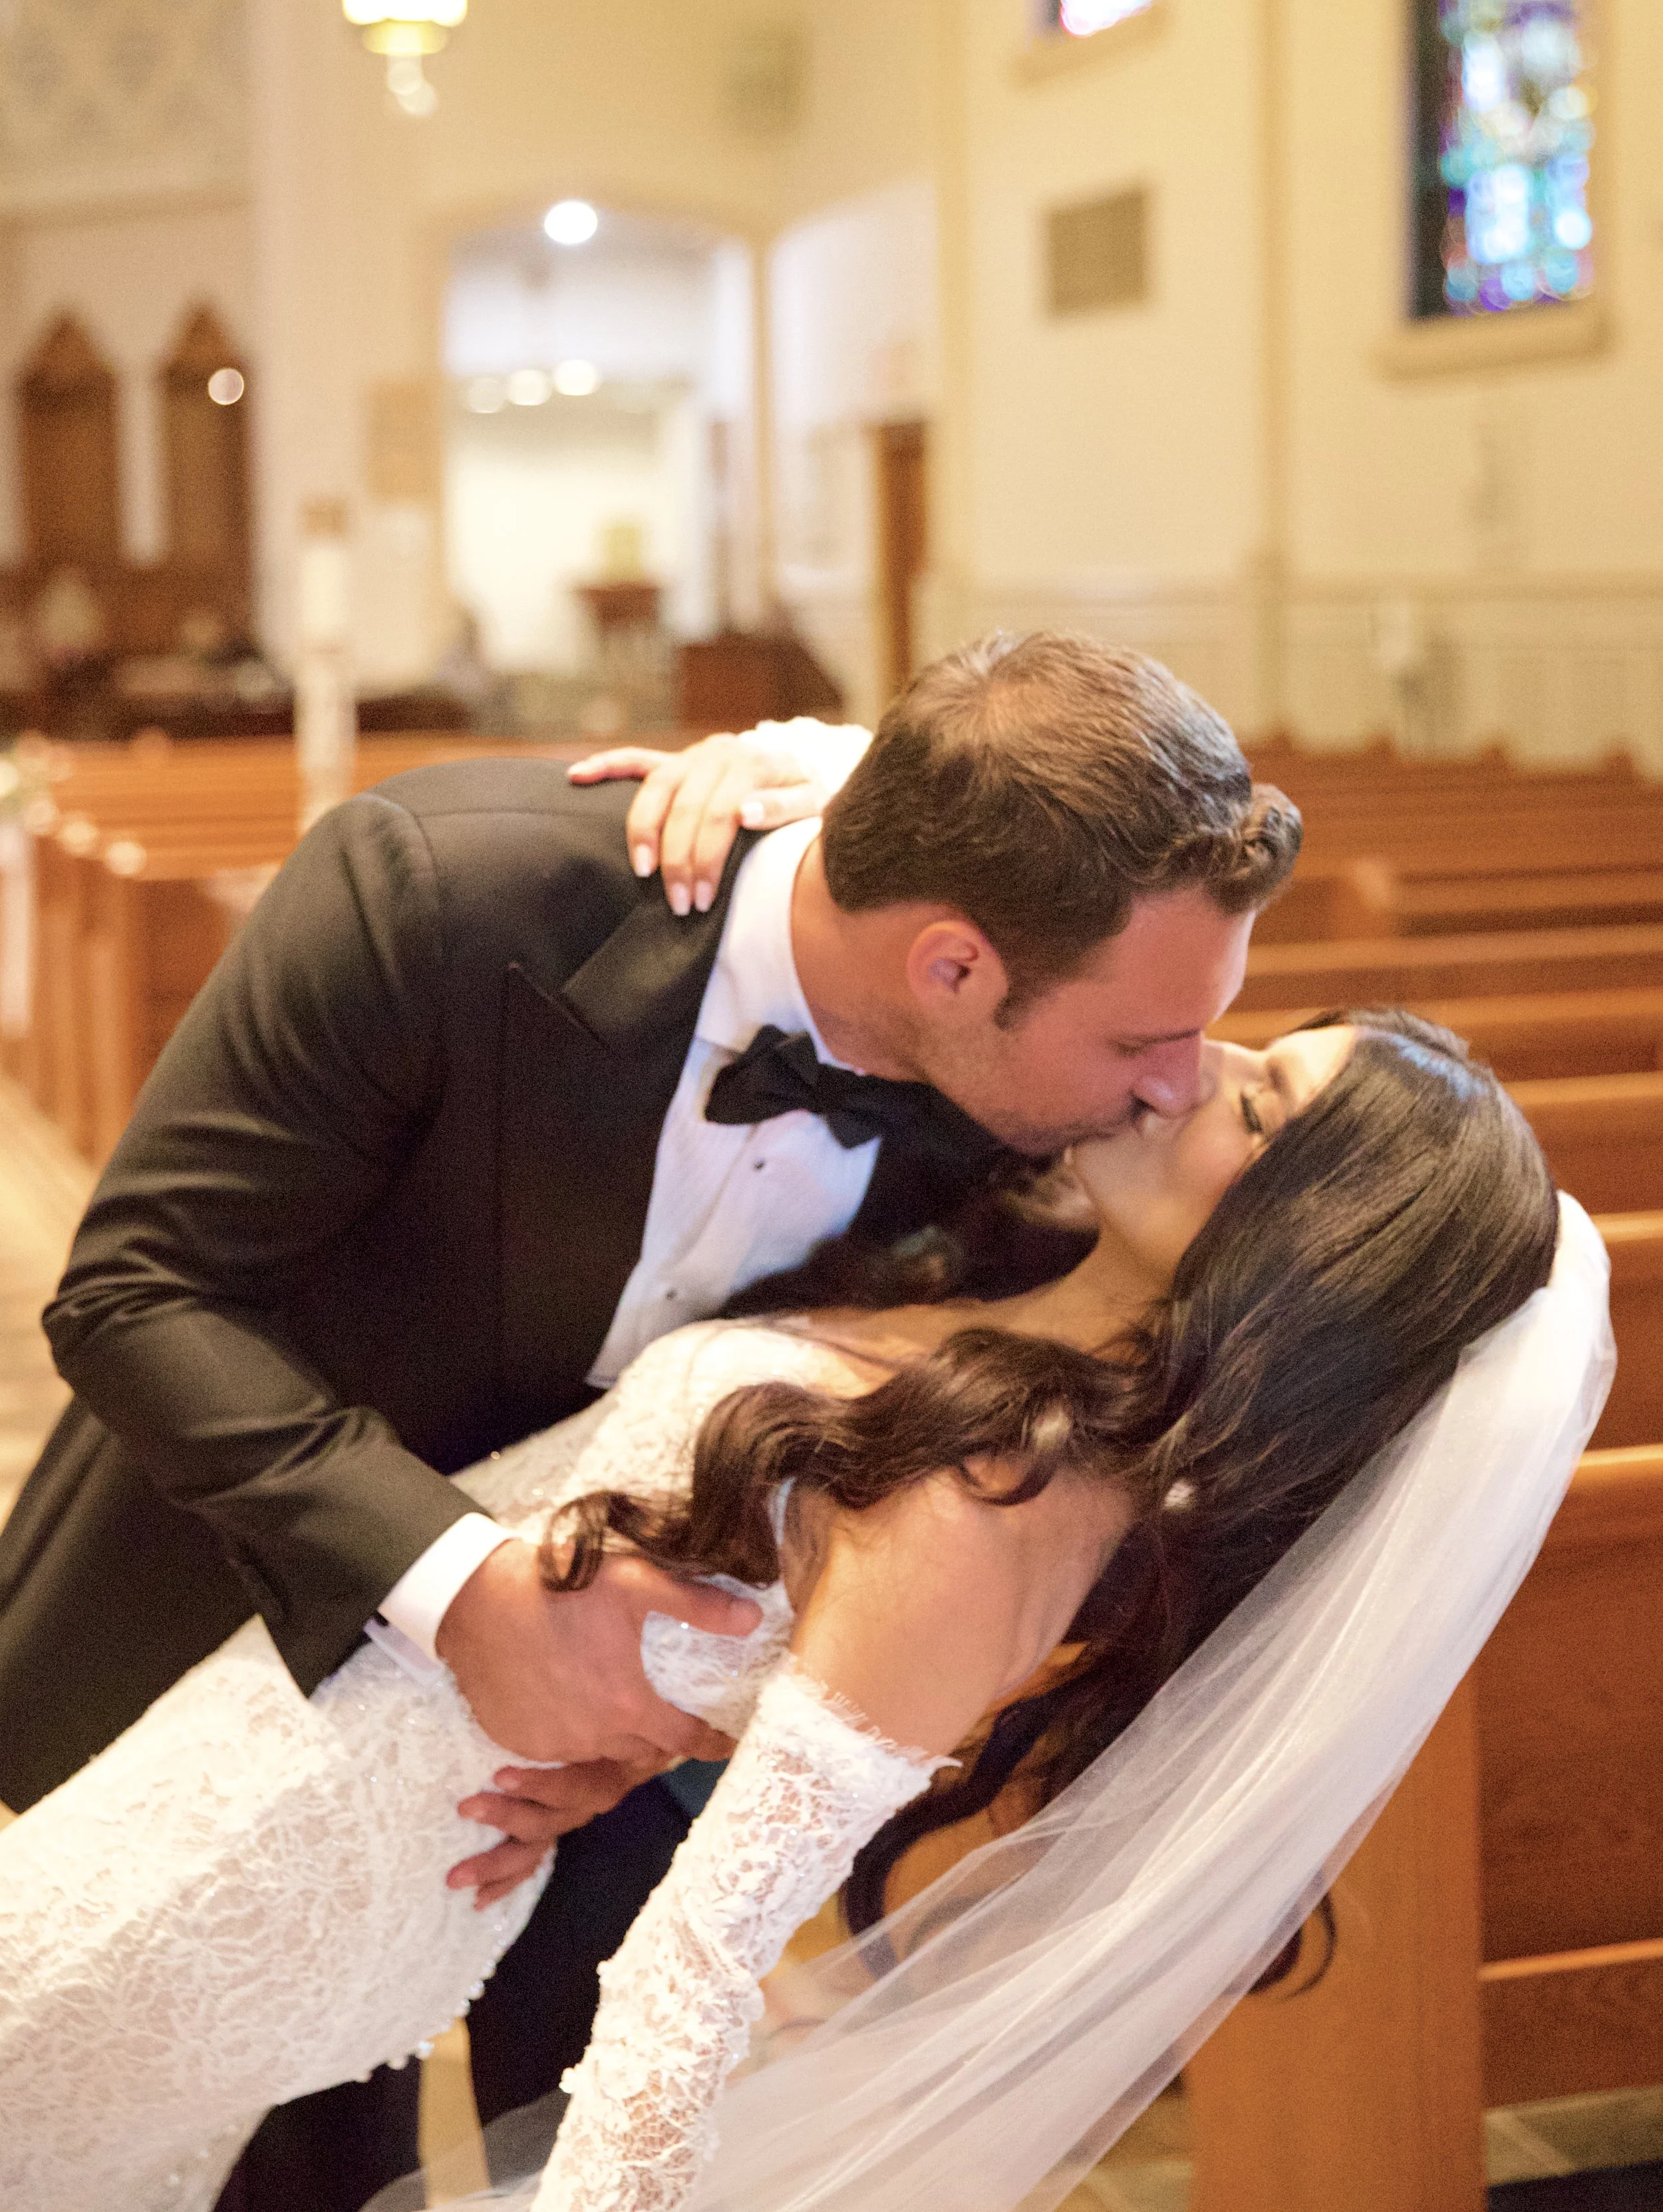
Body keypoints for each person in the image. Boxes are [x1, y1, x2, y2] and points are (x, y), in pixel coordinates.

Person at [0, 633, 1298, 2209]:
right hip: (219, 1639)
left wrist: (665, 1718)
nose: (1172, 1083)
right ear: (949, 966)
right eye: (1136, 1039)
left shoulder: (1031, 1127)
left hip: (595, 1773)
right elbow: (138, 1291)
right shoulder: (436, 893)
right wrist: (463, 1589)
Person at [0, 1006, 1604, 2212]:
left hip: (293, 1858)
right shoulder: (1022, 1284)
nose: (1190, 1060)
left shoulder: (1006, 1495)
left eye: (1253, 1104)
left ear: (1299, 1251)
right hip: (267, 1754)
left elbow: (700, 1963)